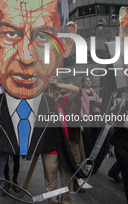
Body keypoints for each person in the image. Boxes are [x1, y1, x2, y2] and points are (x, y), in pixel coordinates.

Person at [0, 0, 74, 157]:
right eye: (11, 34)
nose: (27, 58)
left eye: (43, 36)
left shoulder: (58, 109)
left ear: (66, 43)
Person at [41, 76, 79, 204]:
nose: (56, 91)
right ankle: (53, 202)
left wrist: (58, 84)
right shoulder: (42, 102)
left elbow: (76, 90)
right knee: (51, 180)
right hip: (49, 147)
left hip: (64, 145)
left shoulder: (63, 100)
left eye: (58, 89)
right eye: (53, 89)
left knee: (67, 178)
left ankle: (66, 202)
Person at [80, 76, 101, 171]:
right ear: (83, 83)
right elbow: (80, 106)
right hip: (86, 120)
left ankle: (92, 161)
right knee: (87, 142)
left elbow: (99, 103)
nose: (88, 82)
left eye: (89, 80)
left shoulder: (94, 92)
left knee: (94, 141)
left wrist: (99, 110)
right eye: (86, 81)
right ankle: (88, 162)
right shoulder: (81, 93)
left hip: (95, 120)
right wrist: (83, 118)